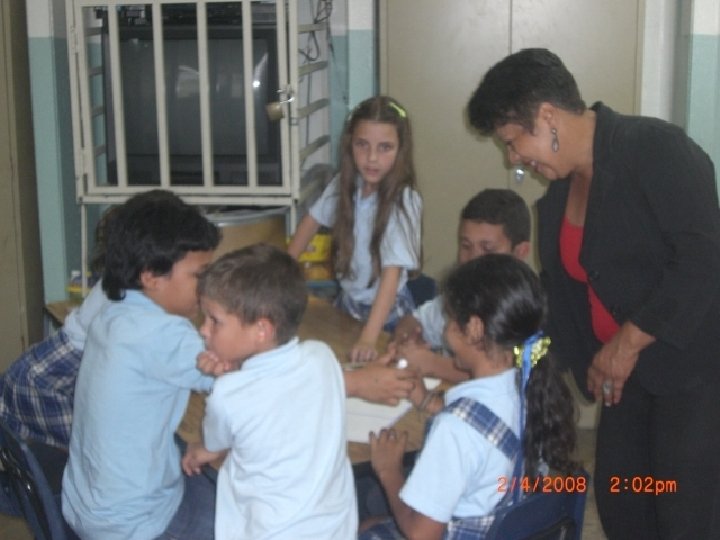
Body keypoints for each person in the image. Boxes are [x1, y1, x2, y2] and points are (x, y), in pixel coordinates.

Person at [467, 48, 720, 540]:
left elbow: (702, 258)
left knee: (684, 517)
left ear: (547, 117)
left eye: (513, 142)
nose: (513, 158)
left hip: (691, 379)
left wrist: (627, 342)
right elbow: (559, 307)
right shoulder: (559, 195)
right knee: (623, 505)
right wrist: (499, 355)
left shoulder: (655, 150)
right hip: (623, 383)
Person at [359, 254, 578, 539]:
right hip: (505, 523)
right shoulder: (530, 384)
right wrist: (427, 401)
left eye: (451, 319)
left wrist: (389, 471)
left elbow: (421, 534)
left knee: (358, 526)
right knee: (370, 520)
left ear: (474, 329)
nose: (445, 329)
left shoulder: (454, 429)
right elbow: (487, 431)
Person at [61, 190, 220, 540]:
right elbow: (239, 380)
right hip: (136, 521)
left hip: (88, 506)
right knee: (251, 521)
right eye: (199, 275)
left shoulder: (113, 312)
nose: (207, 287)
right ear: (152, 277)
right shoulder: (163, 333)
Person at [182, 244, 357, 539]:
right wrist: (237, 369)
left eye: (214, 321)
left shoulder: (227, 395)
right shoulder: (322, 356)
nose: (203, 329)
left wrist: (197, 450)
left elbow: (213, 444)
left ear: (261, 330)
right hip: (334, 530)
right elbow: (275, 395)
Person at [288, 95, 423, 362]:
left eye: (385, 148)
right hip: (348, 303)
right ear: (350, 144)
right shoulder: (344, 184)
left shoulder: (403, 200)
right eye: (362, 145)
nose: (372, 158)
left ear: (401, 150)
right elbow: (310, 222)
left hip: (387, 314)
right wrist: (280, 274)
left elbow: (391, 275)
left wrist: (369, 338)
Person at [392, 188, 531, 383]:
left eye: (487, 249)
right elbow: (414, 320)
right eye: (466, 246)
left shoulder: (526, 310)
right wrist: (407, 340)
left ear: (520, 252)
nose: (473, 258)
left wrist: (432, 364)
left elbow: (507, 373)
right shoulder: (461, 294)